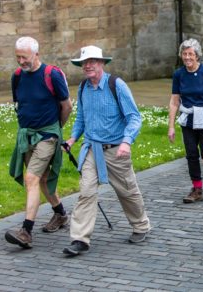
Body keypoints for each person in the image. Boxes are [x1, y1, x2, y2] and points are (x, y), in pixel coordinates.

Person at [62, 45, 151, 256]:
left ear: (102, 63)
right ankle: (80, 239)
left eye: (92, 61)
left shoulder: (116, 85)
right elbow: (82, 118)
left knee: (127, 191)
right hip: (91, 149)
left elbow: (134, 117)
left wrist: (126, 142)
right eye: (84, 62)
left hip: (116, 149)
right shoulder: (83, 88)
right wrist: (73, 138)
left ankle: (141, 225)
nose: (88, 65)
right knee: (86, 192)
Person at [5, 36, 73, 249]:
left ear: (36, 54)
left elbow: (67, 106)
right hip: (27, 136)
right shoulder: (17, 76)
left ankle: (26, 231)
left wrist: (56, 131)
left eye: (24, 57)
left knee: (31, 178)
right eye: (18, 57)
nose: (20, 62)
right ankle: (61, 214)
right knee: (42, 180)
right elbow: (20, 103)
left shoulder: (51, 74)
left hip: (47, 136)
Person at [168, 39, 203, 203]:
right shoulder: (178, 74)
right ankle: (197, 188)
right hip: (188, 119)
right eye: (185, 54)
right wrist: (171, 126)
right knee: (191, 154)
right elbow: (174, 101)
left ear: (197, 55)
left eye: (191, 54)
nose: (187, 57)